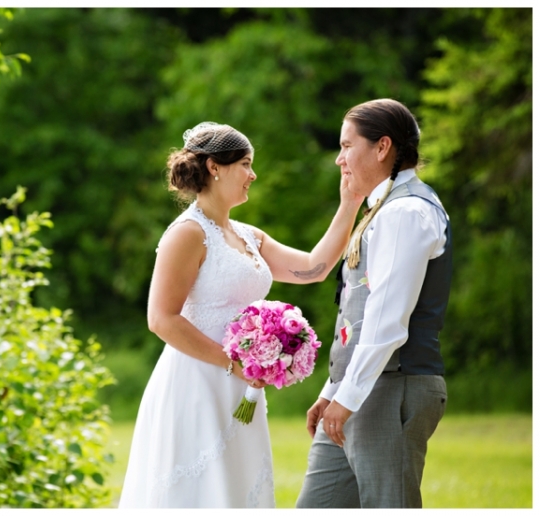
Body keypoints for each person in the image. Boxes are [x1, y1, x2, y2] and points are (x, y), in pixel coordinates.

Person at [118, 121, 363, 508]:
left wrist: (349, 202)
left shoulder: (250, 236)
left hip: (242, 386)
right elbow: (161, 319)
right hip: (197, 383)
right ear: (215, 167)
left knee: (237, 489)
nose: (253, 175)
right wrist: (233, 364)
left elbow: (315, 268)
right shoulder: (187, 234)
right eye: (246, 164)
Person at [295, 98, 452, 508]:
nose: (339, 159)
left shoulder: (407, 212)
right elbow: (358, 311)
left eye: (347, 146)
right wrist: (334, 389)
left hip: (393, 387)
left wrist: (346, 397)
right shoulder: (380, 209)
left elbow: (386, 322)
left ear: (382, 147)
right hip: (360, 388)